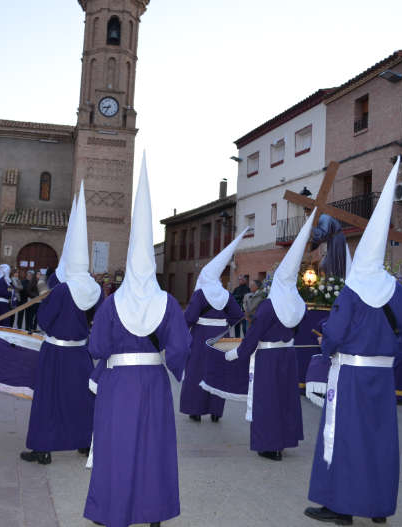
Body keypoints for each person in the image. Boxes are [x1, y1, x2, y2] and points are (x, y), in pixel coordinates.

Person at [305, 158, 402, 525]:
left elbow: (335, 335)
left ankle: (340, 507)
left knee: (342, 438)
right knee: (379, 442)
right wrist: (390, 358)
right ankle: (378, 508)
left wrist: (327, 350)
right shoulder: (400, 293)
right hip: (381, 379)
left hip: (350, 378)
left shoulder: (353, 292)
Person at [84, 154, 191, 527]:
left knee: (117, 446)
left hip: (118, 384)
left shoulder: (113, 303)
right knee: (153, 446)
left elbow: (96, 347)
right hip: (153, 382)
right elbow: (179, 349)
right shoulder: (168, 303)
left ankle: (114, 511)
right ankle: (154, 513)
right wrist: (175, 369)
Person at [219, 208, 316, 462]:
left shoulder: (270, 306)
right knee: (285, 400)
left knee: (267, 402)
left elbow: (254, 335)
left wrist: (235, 353)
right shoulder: (297, 304)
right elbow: (300, 330)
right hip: (288, 357)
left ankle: (268, 445)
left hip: (268, 360)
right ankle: (282, 442)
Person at [21, 182, 102, 465]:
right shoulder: (96, 289)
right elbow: (99, 319)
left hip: (56, 352)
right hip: (81, 352)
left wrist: (45, 297)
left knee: (49, 400)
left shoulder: (63, 290)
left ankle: (43, 448)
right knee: (81, 398)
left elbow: (44, 320)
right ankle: (83, 441)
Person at [180, 228, 247, 423]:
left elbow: (190, 317)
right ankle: (216, 411)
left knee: (197, 371)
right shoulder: (226, 294)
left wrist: (181, 334)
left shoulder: (200, 295)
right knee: (219, 371)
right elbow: (238, 317)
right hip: (221, 336)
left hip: (201, 336)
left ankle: (196, 410)